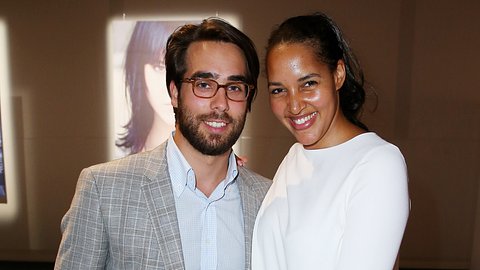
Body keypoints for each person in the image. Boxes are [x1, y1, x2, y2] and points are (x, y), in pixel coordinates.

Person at [55, 17, 271, 270]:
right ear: (175, 93)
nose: (221, 103)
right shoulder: (104, 189)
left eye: (234, 87)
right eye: (203, 84)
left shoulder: (267, 198)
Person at [252, 12, 410, 270]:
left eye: (308, 83)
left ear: (338, 74)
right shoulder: (294, 157)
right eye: (279, 90)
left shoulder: (379, 163)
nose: (294, 105)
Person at [116, 21, 182, 154]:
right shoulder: (117, 167)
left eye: (183, 69)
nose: (173, 89)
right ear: (138, 70)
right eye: (159, 67)